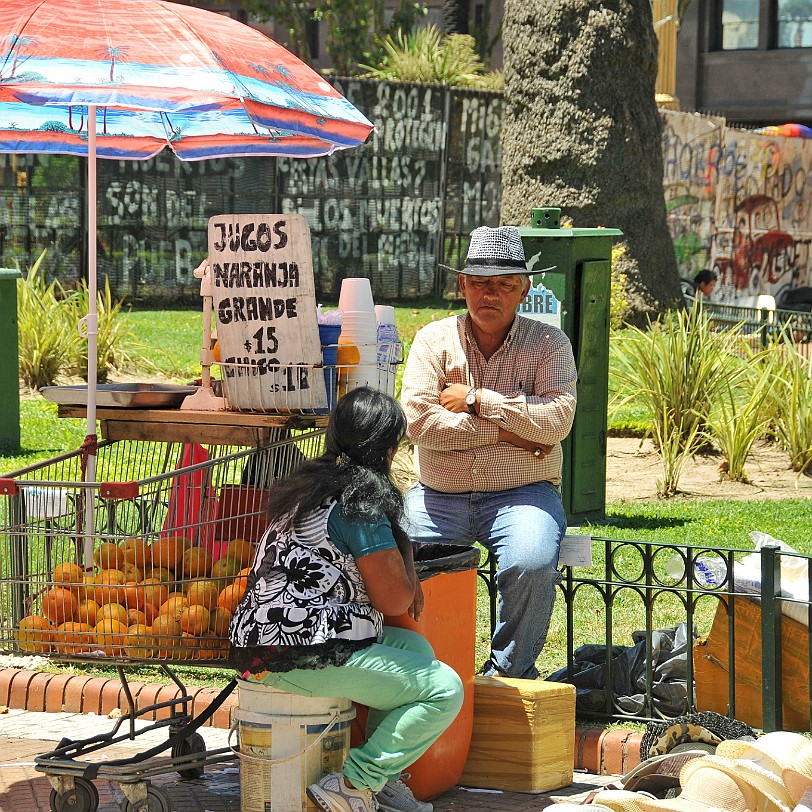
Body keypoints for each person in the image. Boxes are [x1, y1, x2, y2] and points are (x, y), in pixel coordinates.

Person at [229, 386, 463, 812]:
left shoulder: (312, 489)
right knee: (444, 689)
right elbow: (395, 601)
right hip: (292, 655)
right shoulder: (361, 504)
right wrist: (406, 552)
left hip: (263, 645)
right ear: (388, 451)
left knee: (416, 648)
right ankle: (354, 785)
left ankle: (380, 781)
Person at [401, 225, 577, 680]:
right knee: (407, 564)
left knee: (531, 560)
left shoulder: (549, 343)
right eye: (480, 283)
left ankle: (508, 676)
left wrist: (480, 401)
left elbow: (558, 421)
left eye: (504, 284)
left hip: (523, 493)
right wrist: (511, 433)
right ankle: (433, 676)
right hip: (438, 494)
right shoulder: (433, 340)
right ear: (462, 286)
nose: (490, 295)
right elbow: (419, 422)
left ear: (525, 289)